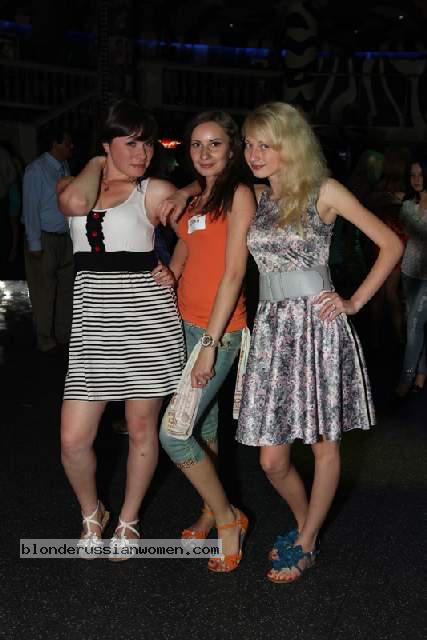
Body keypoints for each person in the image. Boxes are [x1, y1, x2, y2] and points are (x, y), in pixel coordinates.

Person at [235, 102, 403, 583]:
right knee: (272, 460)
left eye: (265, 144)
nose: (254, 154)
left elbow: (391, 244)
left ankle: (307, 541)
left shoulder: (323, 190)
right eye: (249, 144)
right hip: (272, 330)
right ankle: (306, 523)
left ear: (290, 144)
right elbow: (210, 185)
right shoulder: (258, 196)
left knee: (323, 444)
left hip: (316, 326)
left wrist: (354, 301)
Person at [57, 99, 188, 558]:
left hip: (147, 324)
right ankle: (92, 511)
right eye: (130, 143)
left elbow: (195, 233)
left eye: (148, 145)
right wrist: (98, 164)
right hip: (93, 330)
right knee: (73, 439)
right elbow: (75, 204)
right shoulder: (73, 185)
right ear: (106, 145)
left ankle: (128, 519)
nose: (142, 153)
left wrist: (175, 271)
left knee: (140, 427)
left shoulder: (154, 191)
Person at [158, 111, 256, 573]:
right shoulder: (199, 195)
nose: (204, 152)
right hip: (184, 323)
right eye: (196, 144)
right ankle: (208, 509)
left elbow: (234, 273)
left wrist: (211, 344)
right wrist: (173, 271)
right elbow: (188, 243)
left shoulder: (239, 194)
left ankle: (228, 518)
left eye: (214, 144)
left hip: (218, 332)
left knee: (175, 434)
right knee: (205, 428)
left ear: (231, 149)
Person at [22, 127, 74, 352]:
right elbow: (30, 208)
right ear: (55, 144)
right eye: (67, 143)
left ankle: (63, 334)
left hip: (65, 237)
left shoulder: (64, 167)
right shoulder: (36, 170)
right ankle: (45, 338)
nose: (71, 147)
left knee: (65, 289)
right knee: (44, 291)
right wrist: (34, 243)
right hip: (44, 237)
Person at [395, 158, 427, 396]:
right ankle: (421, 374)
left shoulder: (405, 206)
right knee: (416, 324)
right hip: (409, 271)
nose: (416, 180)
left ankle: (406, 378)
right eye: (412, 175)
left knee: (415, 325)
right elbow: (410, 232)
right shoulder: (407, 205)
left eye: (421, 175)